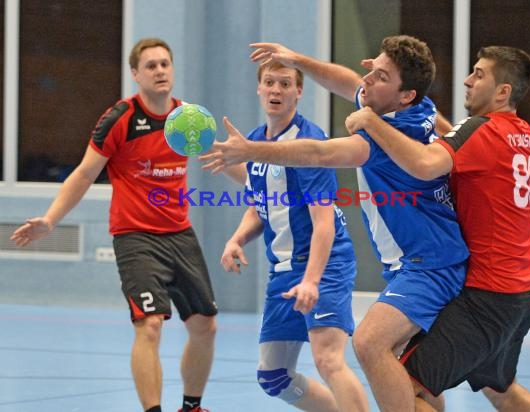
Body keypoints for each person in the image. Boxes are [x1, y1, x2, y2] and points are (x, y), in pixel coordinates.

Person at [201, 36, 469, 412]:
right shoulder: (408, 106)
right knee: (415, 381)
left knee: (367, 346)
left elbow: (318, 154)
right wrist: (296, 58)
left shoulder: (381, 136)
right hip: (409, 262)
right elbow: (344, 82)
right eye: (371, 69)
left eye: (380, 75)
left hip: (425, 264)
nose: (366, 80)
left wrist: (248, 150)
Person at [10, 38, 217, 412]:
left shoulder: (188, 119)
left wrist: (259, 184)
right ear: (136, 74)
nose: (159, 71)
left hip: (180, 233)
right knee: (150, 324)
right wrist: (50, 219)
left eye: (165, 64)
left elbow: (221, 161)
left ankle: (192, 406)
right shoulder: (120, 118)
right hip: (135, 236)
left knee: (205, 324)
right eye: (151, 66)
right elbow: (85, 173)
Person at [344, 46, 530, 411]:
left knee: (407, 391)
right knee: (503, 392)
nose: (468, 80)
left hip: (488, 293)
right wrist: (381, 84)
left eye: (479, 74)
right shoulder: (523, 133)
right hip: (525, 290)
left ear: (503, 92)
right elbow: (445, 131)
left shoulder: (480, 131)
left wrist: (372, 122)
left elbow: (425, 164)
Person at [220, 59, 369, 412]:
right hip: (284, 268)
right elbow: (261, 206)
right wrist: (236, 239)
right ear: (259, 89)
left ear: (298, 92)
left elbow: (324, 224)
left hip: (324, 264)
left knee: (328, 359)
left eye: (285, 84)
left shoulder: (308, 142)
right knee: (273, 376)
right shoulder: (255, 143)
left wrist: (312, 281)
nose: (276, 90)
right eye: (269, 82)